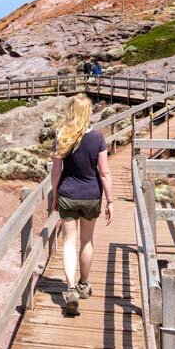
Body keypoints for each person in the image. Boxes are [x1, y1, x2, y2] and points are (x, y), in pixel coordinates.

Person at [49, 94, 114, 316]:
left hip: (68, 193)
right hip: (91, 195)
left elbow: (56, 172)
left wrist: (55, 196)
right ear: (88, 113)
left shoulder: (61, 137)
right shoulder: (97, 138)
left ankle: (70, 289)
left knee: (69, 241)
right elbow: (104, 172)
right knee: (86, 241)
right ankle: (84, 284)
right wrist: (111, 200)